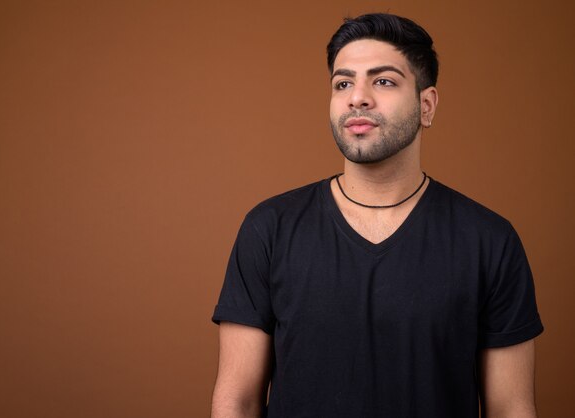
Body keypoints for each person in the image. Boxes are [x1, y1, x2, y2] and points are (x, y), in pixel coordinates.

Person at [210, 13, 543, 418]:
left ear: (426, 105)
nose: (357, 97)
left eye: (383, 81)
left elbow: (511, 408)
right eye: (343, 83)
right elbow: (237, 403)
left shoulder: (490, 241)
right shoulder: (269, 229)